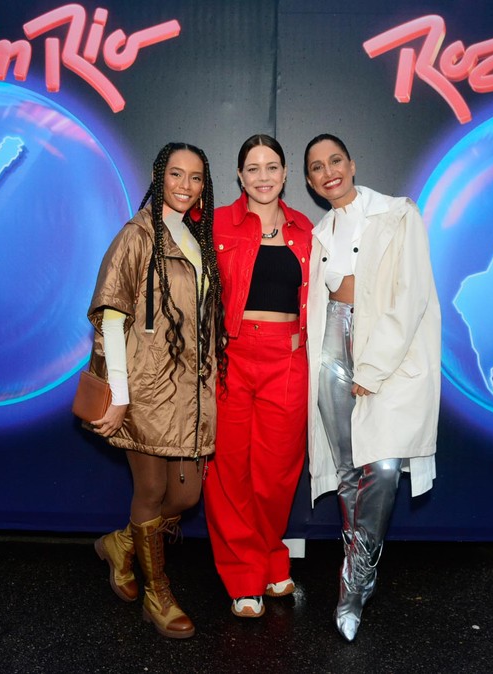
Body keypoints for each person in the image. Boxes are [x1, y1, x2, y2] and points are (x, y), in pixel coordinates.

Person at [303, 133, 441, 641]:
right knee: (345, 467)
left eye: (335, 160)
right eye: (316, 167)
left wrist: (373, 367)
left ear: (353, 163)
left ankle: (357, 577)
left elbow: (413, 295)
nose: (328, 171)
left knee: (382, 466)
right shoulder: (319, 232)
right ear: (312, 182)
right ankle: (353, 570)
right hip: (332, 347)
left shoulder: (400, 214)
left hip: (386, 347)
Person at [87, 142, 228, 639]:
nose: (185, 185)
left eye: (194, 177)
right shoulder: (137, 234)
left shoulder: (195, 238)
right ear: (158, 176)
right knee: (150, 490)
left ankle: (121, 545)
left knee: (186, 495)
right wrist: (120, 394)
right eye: (175, 174)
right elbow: (110, 317)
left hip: (189, 391)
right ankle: (157, 593)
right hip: (144, 387)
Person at [203, 134, 313, 618]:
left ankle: (271, 559)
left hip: (288, 358)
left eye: (272, 167)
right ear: (240, 176)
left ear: (286, 173)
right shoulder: (217, 223)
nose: (263, 176)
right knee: (228, 468)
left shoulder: (306, 228)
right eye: (253, 168)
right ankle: (243, 576)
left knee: (276, 471)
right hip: (232, 355)